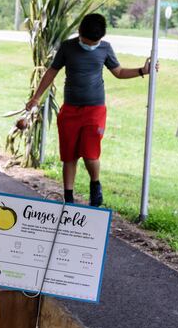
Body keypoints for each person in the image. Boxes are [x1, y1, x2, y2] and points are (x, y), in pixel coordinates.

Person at [26, 13, 158, 206]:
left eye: (94, 43)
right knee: (69, 155)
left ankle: (95, 185)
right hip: (70, 109)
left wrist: (142, 71)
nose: (90, 46)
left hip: (95, 110)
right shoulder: (68, 47)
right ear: (79, 32)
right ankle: (68, 198)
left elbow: (119, 72)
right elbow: (52, 72)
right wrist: (36, 97)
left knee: (90, 153)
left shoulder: (105, 48)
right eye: (86, 42)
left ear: (101, 38)